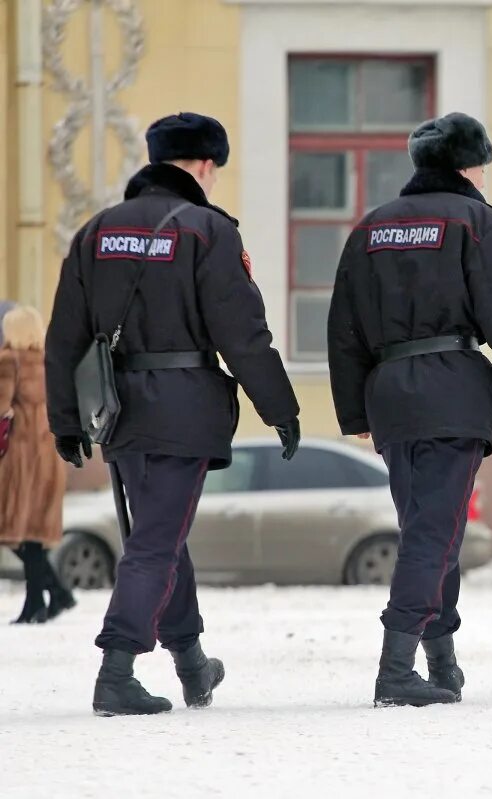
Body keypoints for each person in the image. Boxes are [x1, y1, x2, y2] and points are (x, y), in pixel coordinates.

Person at [45, 112, 302, 716]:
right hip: (183, 405)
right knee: (157, 539)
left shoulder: (97, 231)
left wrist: (65, 420)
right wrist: (279, 408)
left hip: (118, 408)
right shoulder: (208, 231)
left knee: (161, 532)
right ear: (208, 165)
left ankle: (191, 664)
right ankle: (117, 667)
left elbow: (64, 338)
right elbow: (243, 335)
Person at [328, 112, 492, 707]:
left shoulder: (371, 228)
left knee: (432, 530)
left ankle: (441, 661)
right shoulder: (479, 222)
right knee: (434, 532)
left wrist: (353, 410)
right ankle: (397, 668)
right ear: (468, 165)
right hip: (451, 390)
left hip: (390, 395)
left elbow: (344, 328)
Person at [0, 305, 74, 624]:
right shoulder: (52, 361)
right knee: (32, 533)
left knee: (18, 529)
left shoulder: (8, 361)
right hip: (49, 456)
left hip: (19, 459)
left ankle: (44, 598)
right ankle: (51, 596)